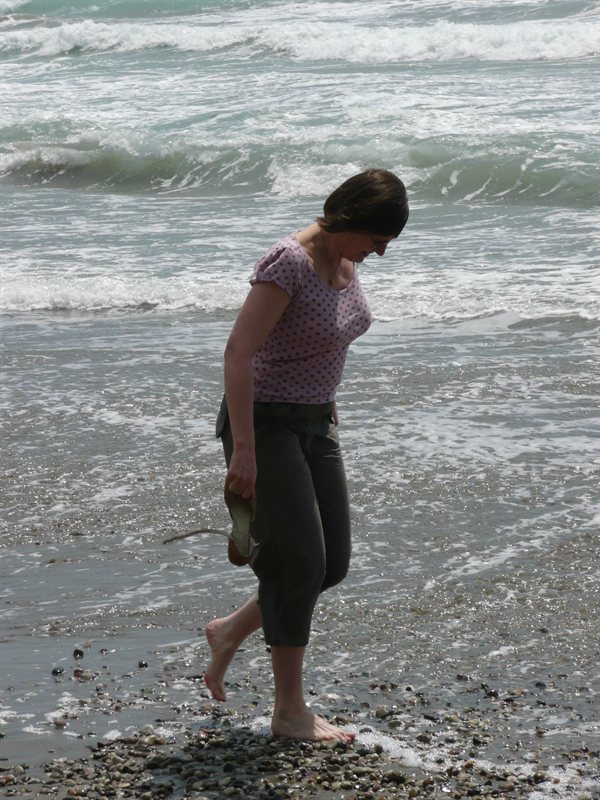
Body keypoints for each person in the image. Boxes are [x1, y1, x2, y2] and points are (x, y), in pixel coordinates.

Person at [205, 168, 409, 742]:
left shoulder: (345, 263)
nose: (381, 251)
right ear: (350, 220)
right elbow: (238, 353)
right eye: (377, 238)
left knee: (332, 563)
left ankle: (229, 631)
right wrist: (243, 450)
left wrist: (326, 401)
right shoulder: (288, 262)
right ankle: (289, 711)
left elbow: (324, 340)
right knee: (300, 564)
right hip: (264, 423)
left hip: (315, 422)